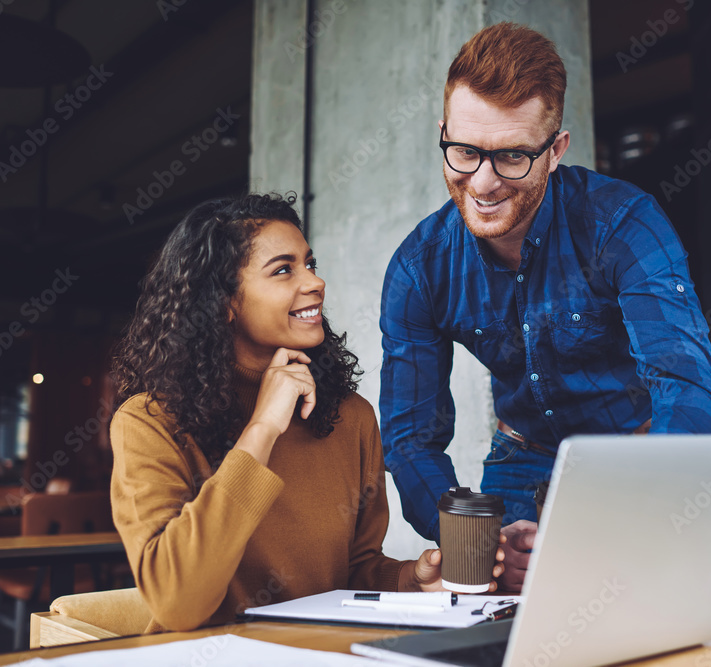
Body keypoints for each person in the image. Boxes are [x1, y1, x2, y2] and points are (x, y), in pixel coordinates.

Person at [379, 23, 711, 592]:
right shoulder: (420, 269)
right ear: (443, 133)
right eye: (464, 151)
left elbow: (687, 390)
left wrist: (614, 524)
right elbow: (411, 440)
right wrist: (475, 537)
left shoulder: (624, 224)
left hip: (638, 456)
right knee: (508, 623)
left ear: (556, 150)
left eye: (513, 155)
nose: (484, 183)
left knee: (648, 610)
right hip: (523, 457)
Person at [109, 193, 503, 632]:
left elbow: (353, 573)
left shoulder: (350, 417)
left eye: (309, 264)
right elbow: (178, 602)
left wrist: (412, 578)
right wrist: (262, 428)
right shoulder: (149, 422)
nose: (315, 282)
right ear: (222, 302)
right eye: (283, 270)